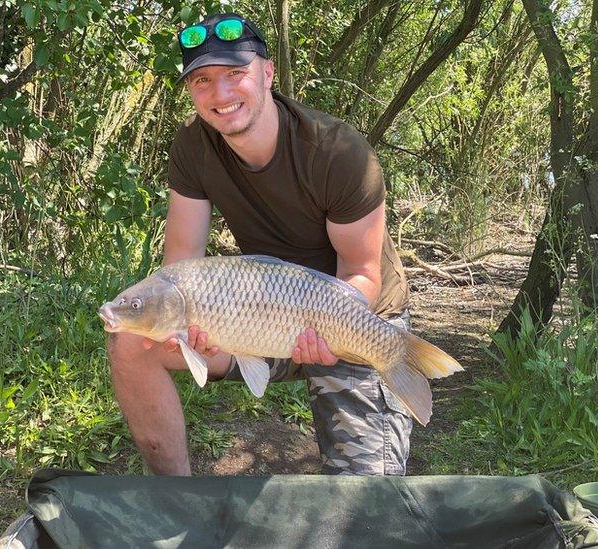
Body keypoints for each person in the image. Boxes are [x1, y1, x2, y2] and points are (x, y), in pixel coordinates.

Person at [106, 12, 413, 476]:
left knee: (363, 500)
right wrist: (191, 328)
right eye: (203, 80)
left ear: (268, 73)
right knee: (130, 340)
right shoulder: (194, 146)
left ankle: (395, 368)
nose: (221, 94)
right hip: (253, 316)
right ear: (191, 91)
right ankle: (174, 496)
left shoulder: (338, 153)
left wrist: (329, 328)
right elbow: (180, 266)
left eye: (235, 74)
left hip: (356, 317)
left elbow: (363, 273)